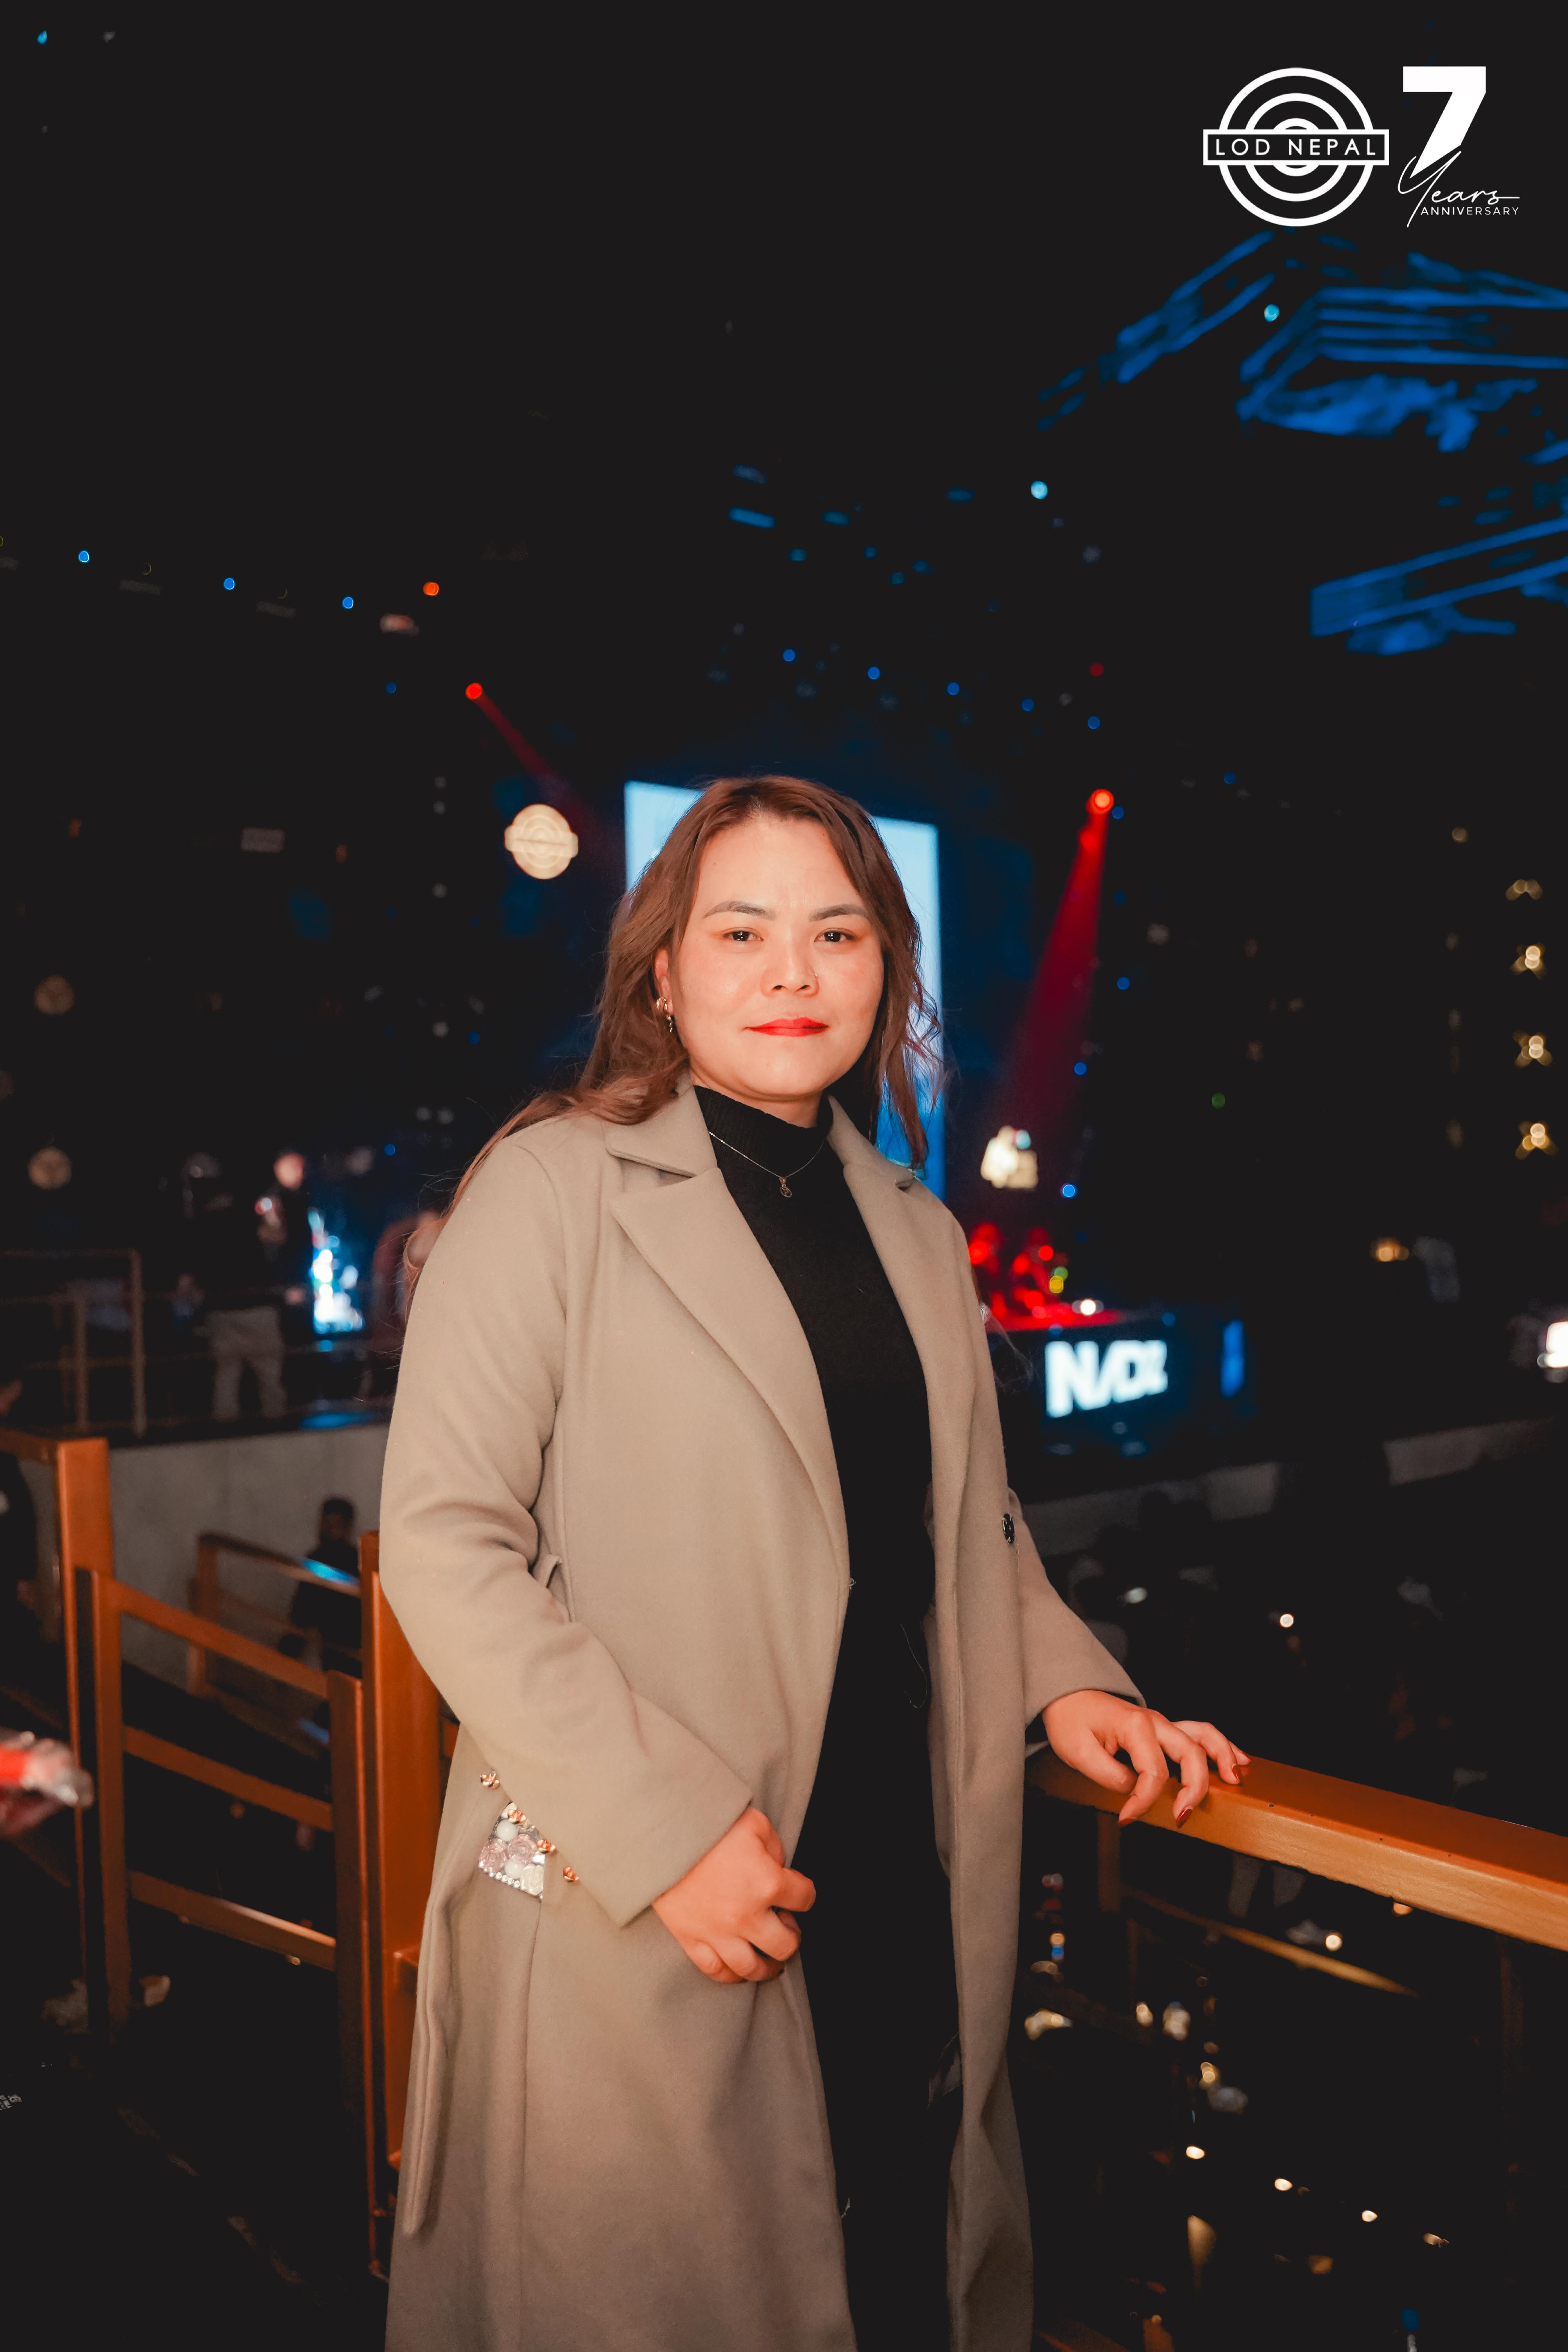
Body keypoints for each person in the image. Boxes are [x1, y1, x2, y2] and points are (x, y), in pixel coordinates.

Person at [377, 775, 1248, 2352]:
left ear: (886, 970)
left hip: (901, 1870)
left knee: (897, 2262)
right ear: (662, 973)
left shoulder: (914, 1226)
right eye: (742, 932)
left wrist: (1068, 1685)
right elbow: (445, 1545)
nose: (793, 972)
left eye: (837, 934)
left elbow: (961, 1524)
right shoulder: (551, 1187)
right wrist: (668, 1833)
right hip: (655, 1869)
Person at [176, 1175, 288, 1421]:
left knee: (226, 1378)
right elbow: (277, 1237)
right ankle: (278, 1428)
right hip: (258, 1308)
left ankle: (225, 1432)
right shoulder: (248, 1217)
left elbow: (186, 1282)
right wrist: (273, 1216)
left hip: (221, 1311)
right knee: (270, 1378)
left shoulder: (200, 1226)